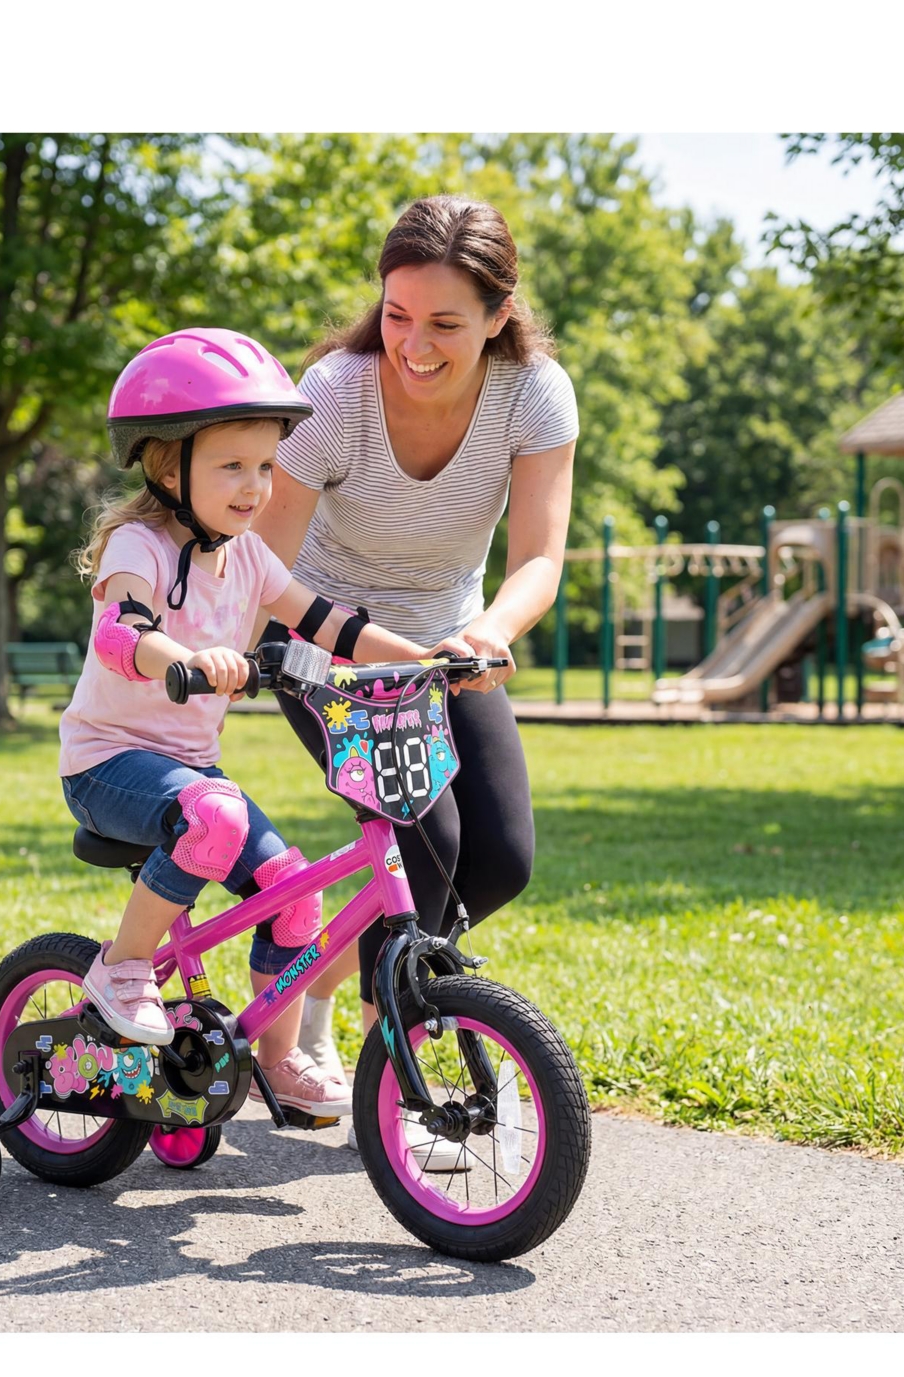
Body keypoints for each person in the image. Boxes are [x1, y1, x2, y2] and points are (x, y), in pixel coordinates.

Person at [58, 327, 469, 1120]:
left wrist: (426, 658)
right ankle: (123, 967)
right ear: (168, 466)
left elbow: (331, 626)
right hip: (107, 764)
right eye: (232, 466)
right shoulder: (136, 546)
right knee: (213, 814)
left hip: (189, 773)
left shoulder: (249, 557)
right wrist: (179, 656)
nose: (256, 487)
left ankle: (276, 1061)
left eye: (267, 467)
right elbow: (120, 632)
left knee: (293, 891)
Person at [254, 196, 578, 1161]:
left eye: (445, 322)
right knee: (427, 840)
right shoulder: (334, 395)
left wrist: (487, 631)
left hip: (445, 646)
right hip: (326, 649)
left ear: (498, 314)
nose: (416, 345)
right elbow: (264, 563)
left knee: (501, 860)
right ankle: (398, 1074)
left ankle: (324, 986)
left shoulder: (534, 392)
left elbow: (541, 557)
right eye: (398, 315)